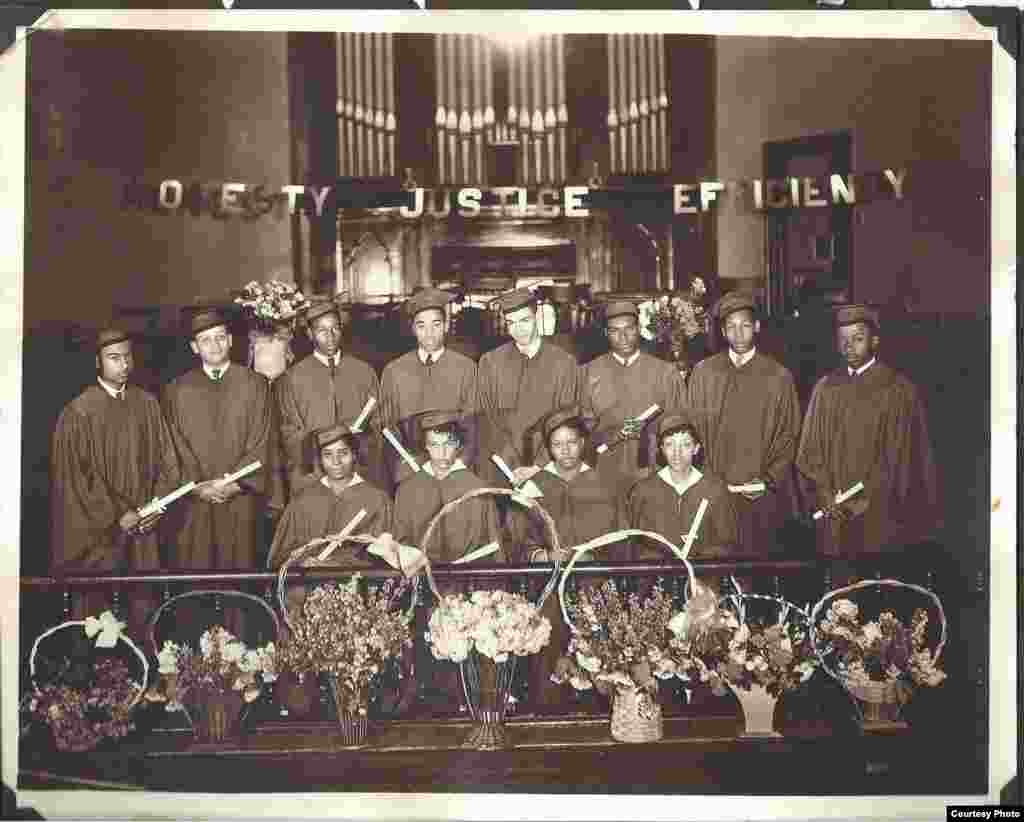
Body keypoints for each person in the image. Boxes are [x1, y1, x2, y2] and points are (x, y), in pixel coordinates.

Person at [49, 328, 181, 635]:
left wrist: (157, 507)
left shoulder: (147, 404)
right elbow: (76, 479)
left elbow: (168, 462)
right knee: (99, 618)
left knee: (143, 611)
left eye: (127, 356)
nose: (123, 364)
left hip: (144, 530)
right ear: (98, 362)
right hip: (101, 536)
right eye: (113, 358)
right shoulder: (79, 412)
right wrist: (117, 516)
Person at [796, 304, 940, 560]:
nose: (849, 346)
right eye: (843, 339)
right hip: (833, 512)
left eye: (858, 338)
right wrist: (825, 495)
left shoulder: (897, 390)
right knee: (838, 578)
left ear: (874, 341)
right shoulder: (825, 388)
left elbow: (900, 459)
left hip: (880, 513)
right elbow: (810, 452)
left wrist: (861, 501)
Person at [513, 406, 629, 712]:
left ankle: (599, 708)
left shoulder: (605, 483)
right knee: (548, 644)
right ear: (548, 448)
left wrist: (595, 554)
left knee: (597, 647)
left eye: (572, 442)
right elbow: (517, 536)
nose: (565, 450)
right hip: (549, 583)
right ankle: (548, 711)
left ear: (583, 443)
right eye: (557, 444)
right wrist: (542, 555)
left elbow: (622, 536)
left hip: (594, 581)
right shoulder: (534, 486)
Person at [391, 410, 504, 712]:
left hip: (467, 584)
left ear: (459, 445)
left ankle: (467, 696)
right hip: (422, 586)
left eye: (448, 444)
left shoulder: (476, 488)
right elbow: (399, 541)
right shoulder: (408, 489)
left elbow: (492, 545)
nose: (441, 453)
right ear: (424, 446)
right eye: (434, 445)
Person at [686, 291, 801, 562]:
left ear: (757, 327)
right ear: (723, 331)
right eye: (731, 327)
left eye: (745, 325)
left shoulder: (778, 376)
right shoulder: (704, 373)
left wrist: (769, 479)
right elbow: (691, 429)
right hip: (715, 488)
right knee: (715, 564)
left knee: (759, 565)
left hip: (760, 491)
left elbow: (789, 434)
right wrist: (703, 478)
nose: (738, 334)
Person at [161, 309, 271, 573]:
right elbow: (172, 444)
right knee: (196, 570)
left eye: (220, 337)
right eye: (206, 340)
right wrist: (197, 486)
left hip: (240, 497)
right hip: (195, 501)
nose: (215, 345)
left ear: (230, 340)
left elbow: (263, 438)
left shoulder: (256, 384)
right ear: (194, 347)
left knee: (241, 568)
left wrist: (236, 483)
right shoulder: (176, 390)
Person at [275, 297, 384, 498]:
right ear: (310, 334)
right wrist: (322, 449)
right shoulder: (292, 378)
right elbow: (289, 431)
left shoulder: (364, 371)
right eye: (322, 330)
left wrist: (358, 443)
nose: (330, 336)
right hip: (313, 476)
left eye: (335, 328)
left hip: (357, 472)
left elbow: (378, 423)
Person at [580, 300, 687, 499]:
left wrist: (649, 429)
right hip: (606, 471)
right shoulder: (588, 373)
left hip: (653, 470)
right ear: (606, 333)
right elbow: (581, 430)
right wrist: (612, 433)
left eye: (629, 329)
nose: (623, 337)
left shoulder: (666, 373)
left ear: (638, 329)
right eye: (615, 330)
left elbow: (680, 424)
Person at [476, 288, 579, 490]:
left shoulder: (564, 363)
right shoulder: (490, 362)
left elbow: (567, 418)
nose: (518, 329)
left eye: (525, 320)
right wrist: (510, 463)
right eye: (511, 323)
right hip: (502, 466)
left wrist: (538, 465)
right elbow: (486, 417)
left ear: (537, 317)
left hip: (549, 466)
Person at [379, 287, 478, 487]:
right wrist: (404, 468)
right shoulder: (394, 371)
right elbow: (388, 428)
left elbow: (473, 425)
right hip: (411, 471)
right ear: (413, 329)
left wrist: (459, 466)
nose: (429, 333)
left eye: (436, 324)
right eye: (421, 326)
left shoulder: (466, 368)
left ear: (446, 326)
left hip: (455, 469)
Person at [627, 415, 740, 561]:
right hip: (657, 572)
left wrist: (701, 559)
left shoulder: (715, 490)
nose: (677, 452)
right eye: (670, 444)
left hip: (701, 573)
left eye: (685, 444)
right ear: (661, 449)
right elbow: (634, 545)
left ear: (696, 448)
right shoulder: (642, 492)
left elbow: (727, 544)